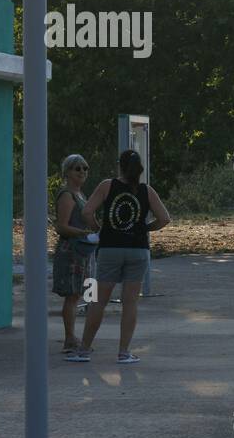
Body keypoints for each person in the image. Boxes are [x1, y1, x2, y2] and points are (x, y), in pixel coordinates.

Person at [67, 150, 171, 364]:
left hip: (110, 248)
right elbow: (164, 218)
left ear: (120, 166)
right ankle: (124, 352)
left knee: (98, 301)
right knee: (130, 302)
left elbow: (87, 212)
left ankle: (84, 350)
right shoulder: (146, 190)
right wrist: (145, 229)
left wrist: (101, 228)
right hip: (138, 250)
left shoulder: (107, 186)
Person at [52, 154, 98, 353]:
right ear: (67, 172)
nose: (82, 172)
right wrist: (83, 233)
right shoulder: (67, 195)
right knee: (72, 296)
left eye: (85, 168)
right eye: (77, 168)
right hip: (71, 251)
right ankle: (69, 338)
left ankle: (83, 339)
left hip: (86, 252)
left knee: (88, 294)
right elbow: (61, 227)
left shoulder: (81, 195)